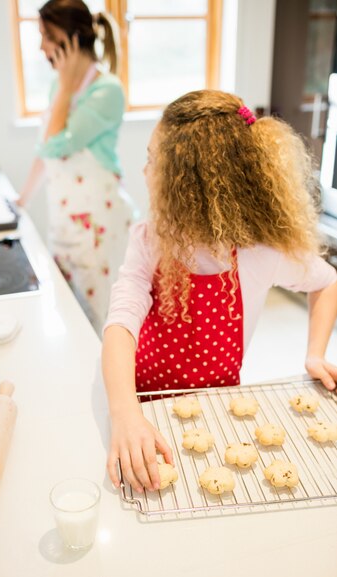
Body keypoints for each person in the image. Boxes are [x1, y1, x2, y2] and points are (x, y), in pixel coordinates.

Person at [101, 89, 337, 494]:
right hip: (142, 402)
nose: (144, 171)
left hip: (216, 412)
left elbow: (328, 281)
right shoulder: (151, 239)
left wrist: (315, 354)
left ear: (187, 182)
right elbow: (121, 320)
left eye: (154, 161)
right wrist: (123, 411)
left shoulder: (261, 253)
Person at [17, 0, 135, 333]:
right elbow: (44, 150)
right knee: (69, 314)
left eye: (47, 36)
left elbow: (58, 144)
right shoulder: (58, 84)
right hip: (64, 221)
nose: (41, 47)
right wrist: (23, 200)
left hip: (98, 224)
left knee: (98, 321)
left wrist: (68, 87)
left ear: (71, 38)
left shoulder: (107, 90)